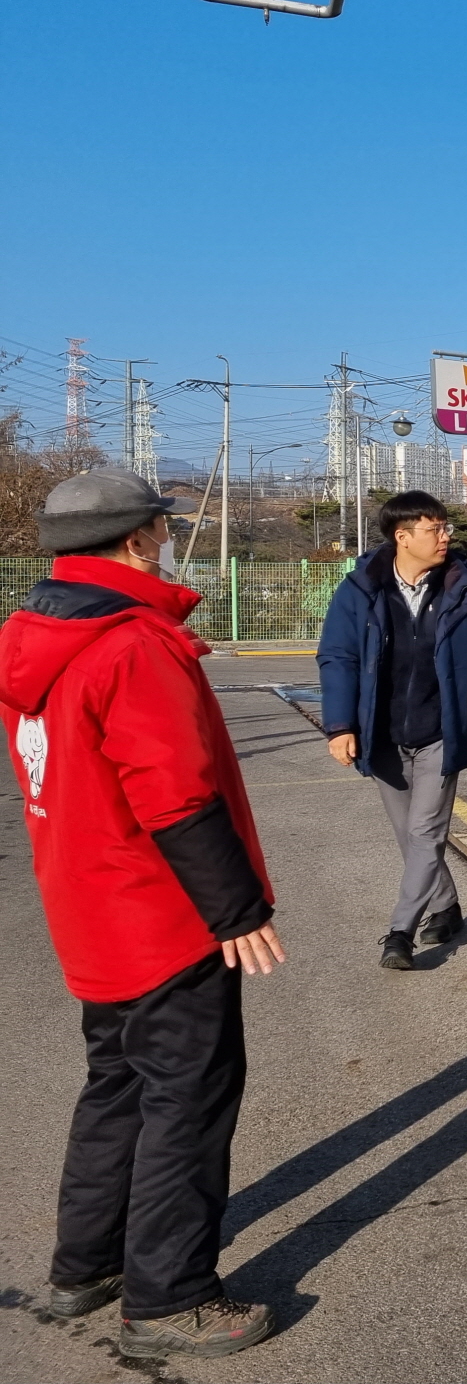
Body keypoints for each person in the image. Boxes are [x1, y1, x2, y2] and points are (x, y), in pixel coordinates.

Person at [0, 467, 283, 1361]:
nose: (168, 540)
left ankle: (86, 1266)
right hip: (160, 915)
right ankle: (170, 1296)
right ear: (136, 541)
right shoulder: (133, 644)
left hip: (87, 908)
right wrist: (235, 910)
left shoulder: (33, 634)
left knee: (115, 1086)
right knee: (186, 1101)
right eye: (162, 528)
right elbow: (174, 796)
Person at [317, 490, 467, 968]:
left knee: (425, 830)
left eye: (446, 528)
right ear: (403, 537)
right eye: (434, 529)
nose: (445, 537)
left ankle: (399, 931)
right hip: (381, 733)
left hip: (442, 730)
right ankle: (447, 906)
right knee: (409, 833)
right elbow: (336, 657)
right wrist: (339, 725)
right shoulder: (361, 589)